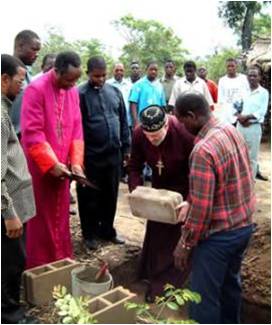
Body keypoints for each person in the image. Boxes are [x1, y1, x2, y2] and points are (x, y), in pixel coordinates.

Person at [174, 92, 255, 324]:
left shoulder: (202, 150)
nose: (181, 125)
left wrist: (185, 243)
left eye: (181, 120)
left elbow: (201, 209)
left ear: (192, 116)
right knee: (230, 288)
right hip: (244, 227)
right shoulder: (229, 129)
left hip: (219, 237)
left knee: (202, 299)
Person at [21, 51, 84, 269]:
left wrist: (75, 162)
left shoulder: (73, 91)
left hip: (64, 167)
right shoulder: (35, 90)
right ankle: (40, 266)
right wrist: (50, 164)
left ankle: (61, 259)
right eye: (69, 80)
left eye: (76, 80)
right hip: (40, 170)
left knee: (61, 217)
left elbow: (77, 128)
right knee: (41, 219)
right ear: (55, 71)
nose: (72, 85)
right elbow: (32, 133)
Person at [128, 105, 194, 302]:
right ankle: (152, 274)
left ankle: (170, 285)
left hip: (184, 189)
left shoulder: (184, 133)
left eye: (157, 136)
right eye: (149, 137)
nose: (153, 141)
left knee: (178, 239)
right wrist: (136, 190)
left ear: (167, 125)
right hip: (158, 191)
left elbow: (199, 173)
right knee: (156, 234)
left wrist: (190, 201)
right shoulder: (139, 134)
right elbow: (134, 166)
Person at [77, 56, 131, 250]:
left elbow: (123, 121)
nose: (100, 79)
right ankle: (89, 234)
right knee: (89, 197)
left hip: (113, 155)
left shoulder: (114, 92)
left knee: (111, 195)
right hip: (90, 156)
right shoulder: (79, 94)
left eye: (103, 76)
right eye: (96, 76)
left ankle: (107, 230)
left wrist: (126, 147)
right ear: (88, 73)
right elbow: (77, 128)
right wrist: (78, 158)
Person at [1, 54, 37, 324]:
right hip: (9, 206)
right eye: (18, 81)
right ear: (3, 80)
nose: (22, 87)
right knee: (11, 263)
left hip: (12, 203)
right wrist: (9, 212)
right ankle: (10, 313)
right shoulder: (1, 117)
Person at [236, 66, 269, 179]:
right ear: (247, 77)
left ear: (260, 77)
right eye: (250, 75)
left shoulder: (263, 93)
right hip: (240, 126)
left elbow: (262, 111)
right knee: (239, 154)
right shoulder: (242, 90)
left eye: (255, 75)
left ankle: (250, 181)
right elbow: (236, 106)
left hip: (253, 128)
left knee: (252, 157)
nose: (252, 78)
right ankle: (240, 181)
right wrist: (239, 117)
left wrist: (247, 117)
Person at [11, 30, 41, 137]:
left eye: (38, 51)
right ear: (20, 46)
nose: (37, 54)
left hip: (22, 137)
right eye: (33, 49)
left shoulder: (28, 75)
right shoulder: (6, 70)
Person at [107, 62, 133, 183]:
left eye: (121, 70)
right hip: (112, 122)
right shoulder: (107, 84)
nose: (119, 72)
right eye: (117, 70)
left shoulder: (129, 85)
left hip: (126, 121)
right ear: (113, 71)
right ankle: (115, 173)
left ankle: (124, 174)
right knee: (115, 147)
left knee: (126, 148)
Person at [129, 61, 166, 128]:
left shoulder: (160, 86)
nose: (153, 71)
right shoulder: (138, 84)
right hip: (142, 122)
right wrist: (135, 121)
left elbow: (163, 106)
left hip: (157, 123)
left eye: (155, 70)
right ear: (146, 70)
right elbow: (133, 104)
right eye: (151, 69)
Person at [218, 58, 250, 125]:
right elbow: (221, 100)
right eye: (228, 66)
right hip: (228, 116)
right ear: (226, 67)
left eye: (232, 66)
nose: (230, 68)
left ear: (236, 66)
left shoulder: (243, 78)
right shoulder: (222, 81)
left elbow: (248, 95)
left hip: (243, 114)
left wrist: (244, 114)